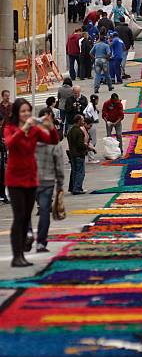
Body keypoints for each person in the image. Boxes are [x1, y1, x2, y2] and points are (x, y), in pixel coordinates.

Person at [4, 98, 58, 267]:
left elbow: (53, 140)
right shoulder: (10, 128)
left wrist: (51, 127)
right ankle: (17, 255)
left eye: (28, 111)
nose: (26, 114)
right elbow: (10, 144)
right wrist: (25, 128)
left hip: (31, 177)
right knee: (18, 217)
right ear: (16, 114)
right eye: (23, 111)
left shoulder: (35, 130)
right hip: (15, 178)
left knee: (27, 216)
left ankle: (22, 255)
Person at [34, 107, 64, 252]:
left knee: (35, 210)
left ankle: (32, 236)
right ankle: (40, 241)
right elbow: (58, 163)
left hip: (34, 180)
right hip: (43, 180)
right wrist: (60, 184)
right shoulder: (53, 141)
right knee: (44, 210)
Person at [67, 115, 87, 194]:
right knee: (80, 172)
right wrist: (86, 147)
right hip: (79, 154)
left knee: (74, 172)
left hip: (72, 154)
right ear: (78, 121)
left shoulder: (70, 131)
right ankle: (77, 188)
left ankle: (73, 188)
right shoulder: (79, 131)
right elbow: (80, 145)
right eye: (82, 120)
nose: (83, 122)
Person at [83, 94, 100, 164]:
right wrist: (91, 118)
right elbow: (85, 112)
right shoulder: (90, 105)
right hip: (92, 124)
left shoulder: (92, 105)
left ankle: (91, 156)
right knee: (92, 141)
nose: (98, 101)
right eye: (97, 100)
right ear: (95, 100)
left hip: (94, 124)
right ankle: (91, 158)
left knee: (93, 140)